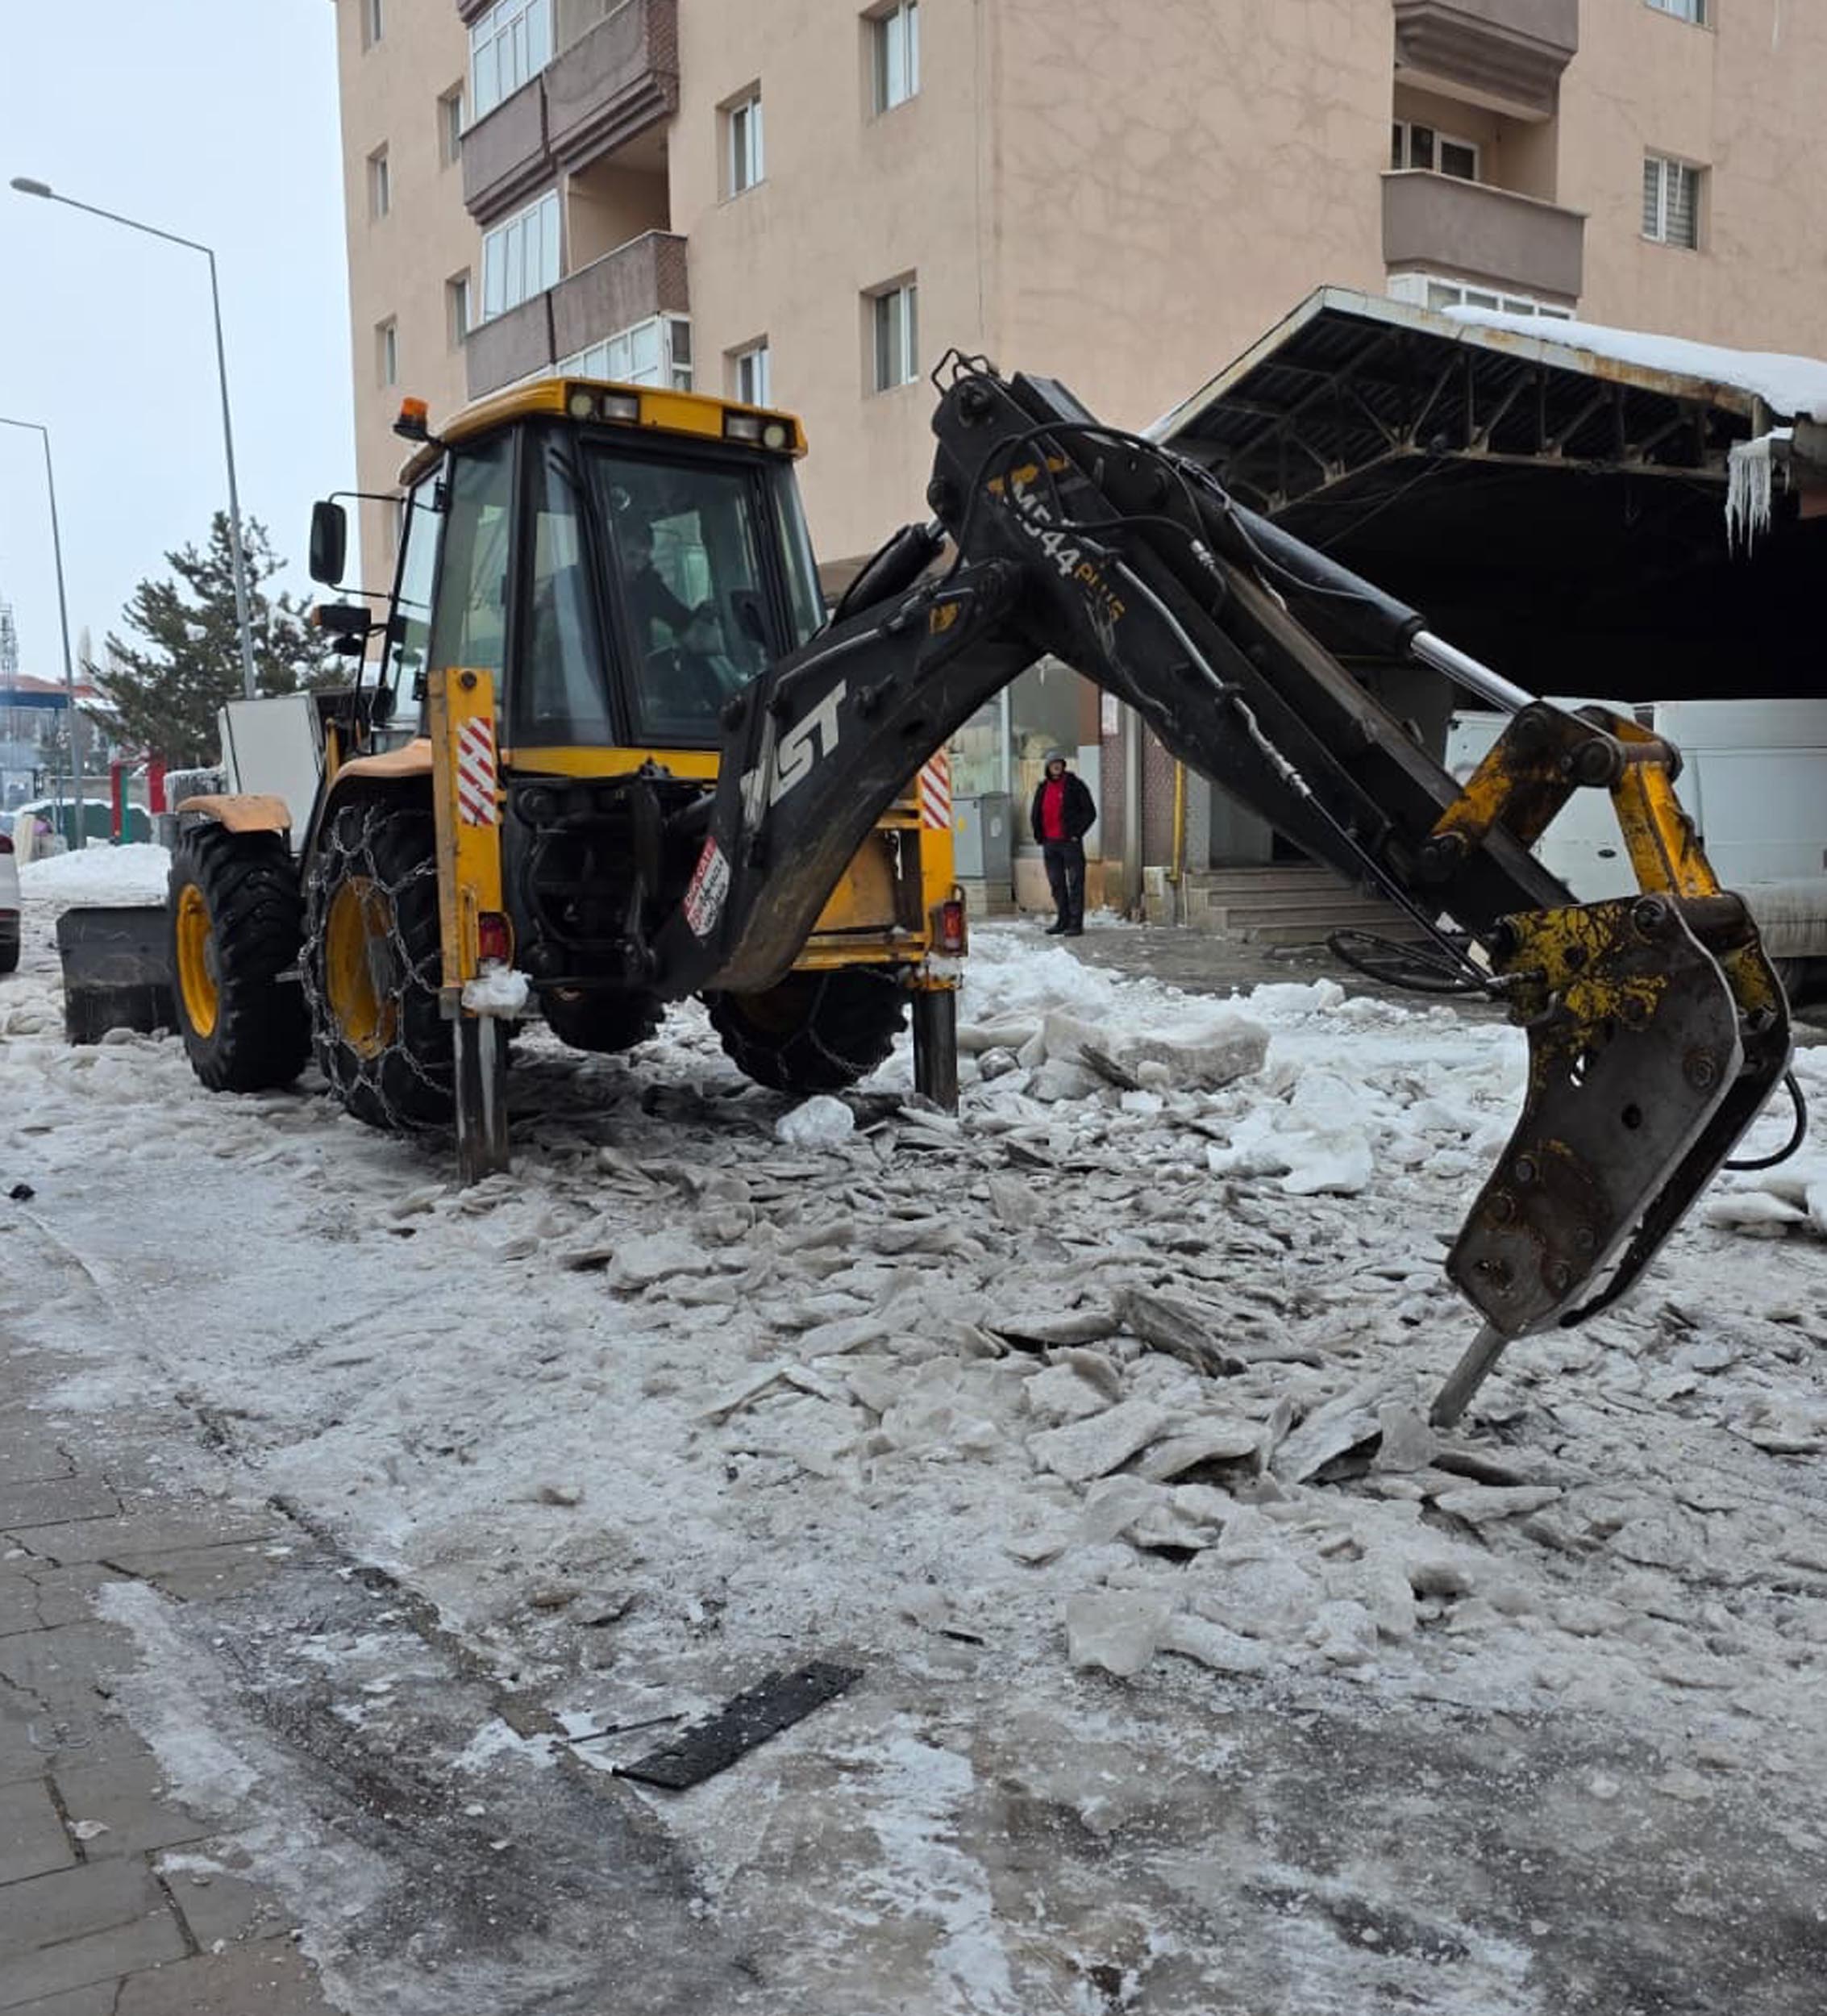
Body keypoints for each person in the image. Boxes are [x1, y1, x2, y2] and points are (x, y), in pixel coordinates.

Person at [1030, 748, 1096, 936]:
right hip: (1050, 844)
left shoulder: (1075, 785)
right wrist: (1039, 836)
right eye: (1052, 764)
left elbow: (1090, 812)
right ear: (1047, 768)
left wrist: (1077, 833)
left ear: (1063, 766)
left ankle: (1076, 924)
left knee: (1075, 883)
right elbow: (1036, 813)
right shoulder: (1043, 788)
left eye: (1059, 763)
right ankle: (1062, 920)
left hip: (1070, 843)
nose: (1056, 767)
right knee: (1057, 884)